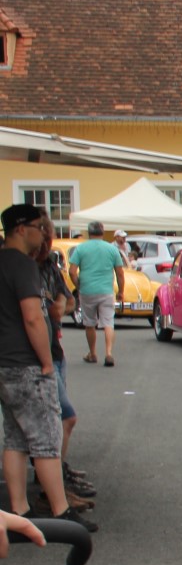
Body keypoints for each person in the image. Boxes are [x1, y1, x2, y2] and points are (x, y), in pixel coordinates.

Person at [0, 204, 90, 532]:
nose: (44, 233)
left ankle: (19, 510)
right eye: (39, 226)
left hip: (5, 364)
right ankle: (60, 510)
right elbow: (31, 315)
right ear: (20, 228)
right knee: (46, 436)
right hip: (26, 364)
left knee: (14, 437)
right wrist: (47, 362)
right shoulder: (22, 266)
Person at [34, 217, 94, 514]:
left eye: (50, 239)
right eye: (43, 238)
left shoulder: (49, 267)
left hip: (54, 352)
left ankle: (54, 480)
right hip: (35, 358)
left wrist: (59, 304)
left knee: (54, 422)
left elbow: (69, 302)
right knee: (63, 419)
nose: (47, 245)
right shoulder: (19, 268)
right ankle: (51, 490)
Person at [68, 220, 125, 367]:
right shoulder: (112, 249)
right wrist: (121, 291)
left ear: (89, 232)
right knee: (108, 322)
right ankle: (109, 353)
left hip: (87, 290)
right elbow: (120, 273)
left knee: (89, 323)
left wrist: (78, 284)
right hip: (106, 290)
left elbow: (72, 272)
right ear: (102, 231)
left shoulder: (81, 249)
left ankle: (92, 353)